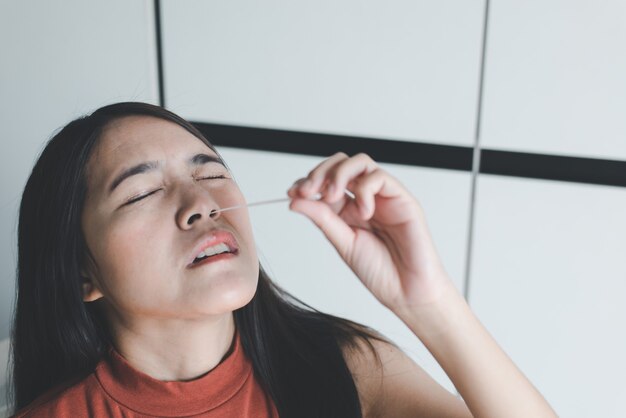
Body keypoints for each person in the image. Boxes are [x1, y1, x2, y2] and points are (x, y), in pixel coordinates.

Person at [8, 102, 557, 417]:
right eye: (142, 193)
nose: (202, 205)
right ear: (82, 273)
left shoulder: (346, 367)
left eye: (210, 172)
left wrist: (428, 301)